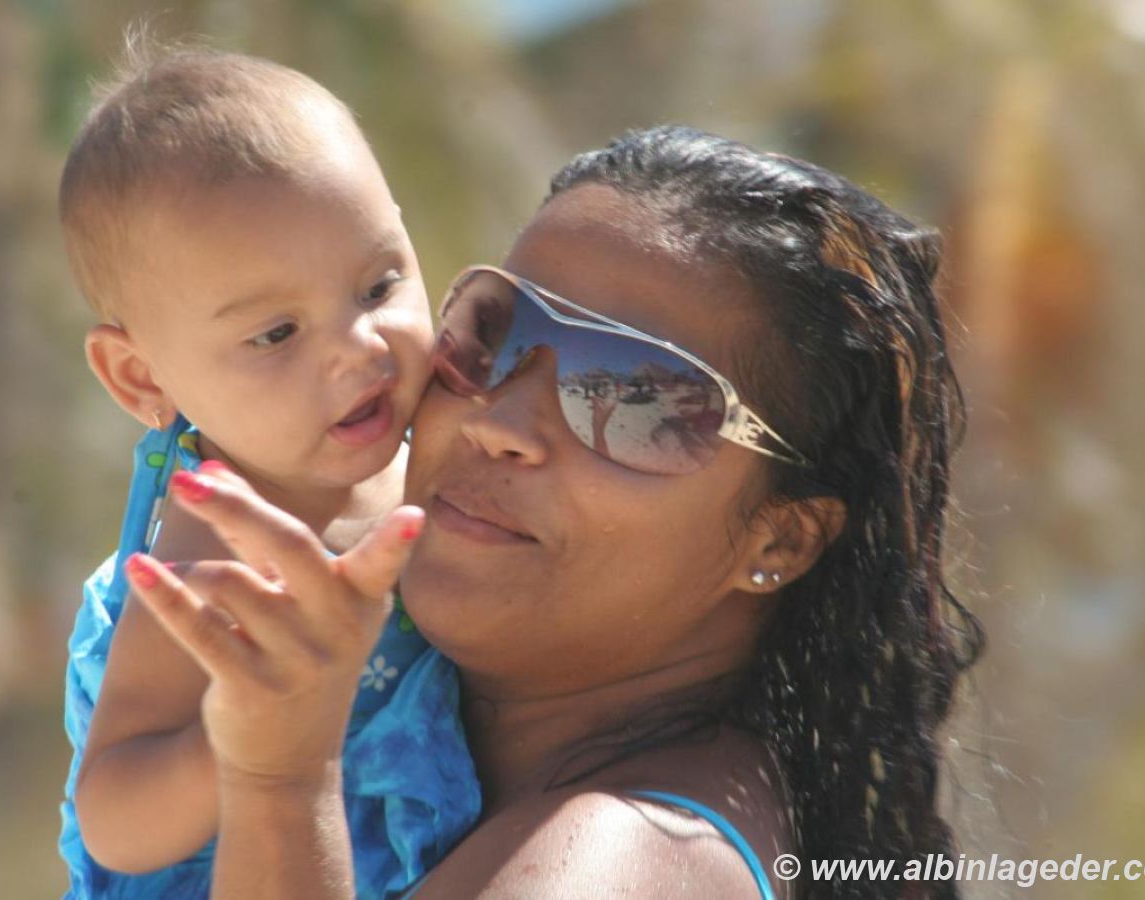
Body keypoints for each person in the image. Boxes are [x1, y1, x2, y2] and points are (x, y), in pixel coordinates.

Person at [127, 126, 985, 899]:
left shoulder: (623, 859)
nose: (498, 423)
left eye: (636, 396)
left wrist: (280, 783)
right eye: (492, 334)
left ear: (781, 539)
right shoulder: (407, 738)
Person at [56, 45, 478, 899]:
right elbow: (113, 816)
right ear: (142, 378)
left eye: (378, 285)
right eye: (276, 334)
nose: (359, 347)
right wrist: (248, 734)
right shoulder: (210, 555)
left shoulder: (440, 440)